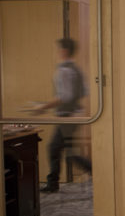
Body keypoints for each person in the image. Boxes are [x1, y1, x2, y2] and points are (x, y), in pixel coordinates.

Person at [35, 38, 92, 193]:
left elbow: (64, 97)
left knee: (56, 148)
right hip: (74, 114)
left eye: (58, 49)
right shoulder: (76, 69)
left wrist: (42, 107)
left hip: (68, 116)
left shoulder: (64, 71)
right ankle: (53, 183)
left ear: (64, 51)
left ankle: (53, 183)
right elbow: (84, 91)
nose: (57, 52)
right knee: (66, 150)